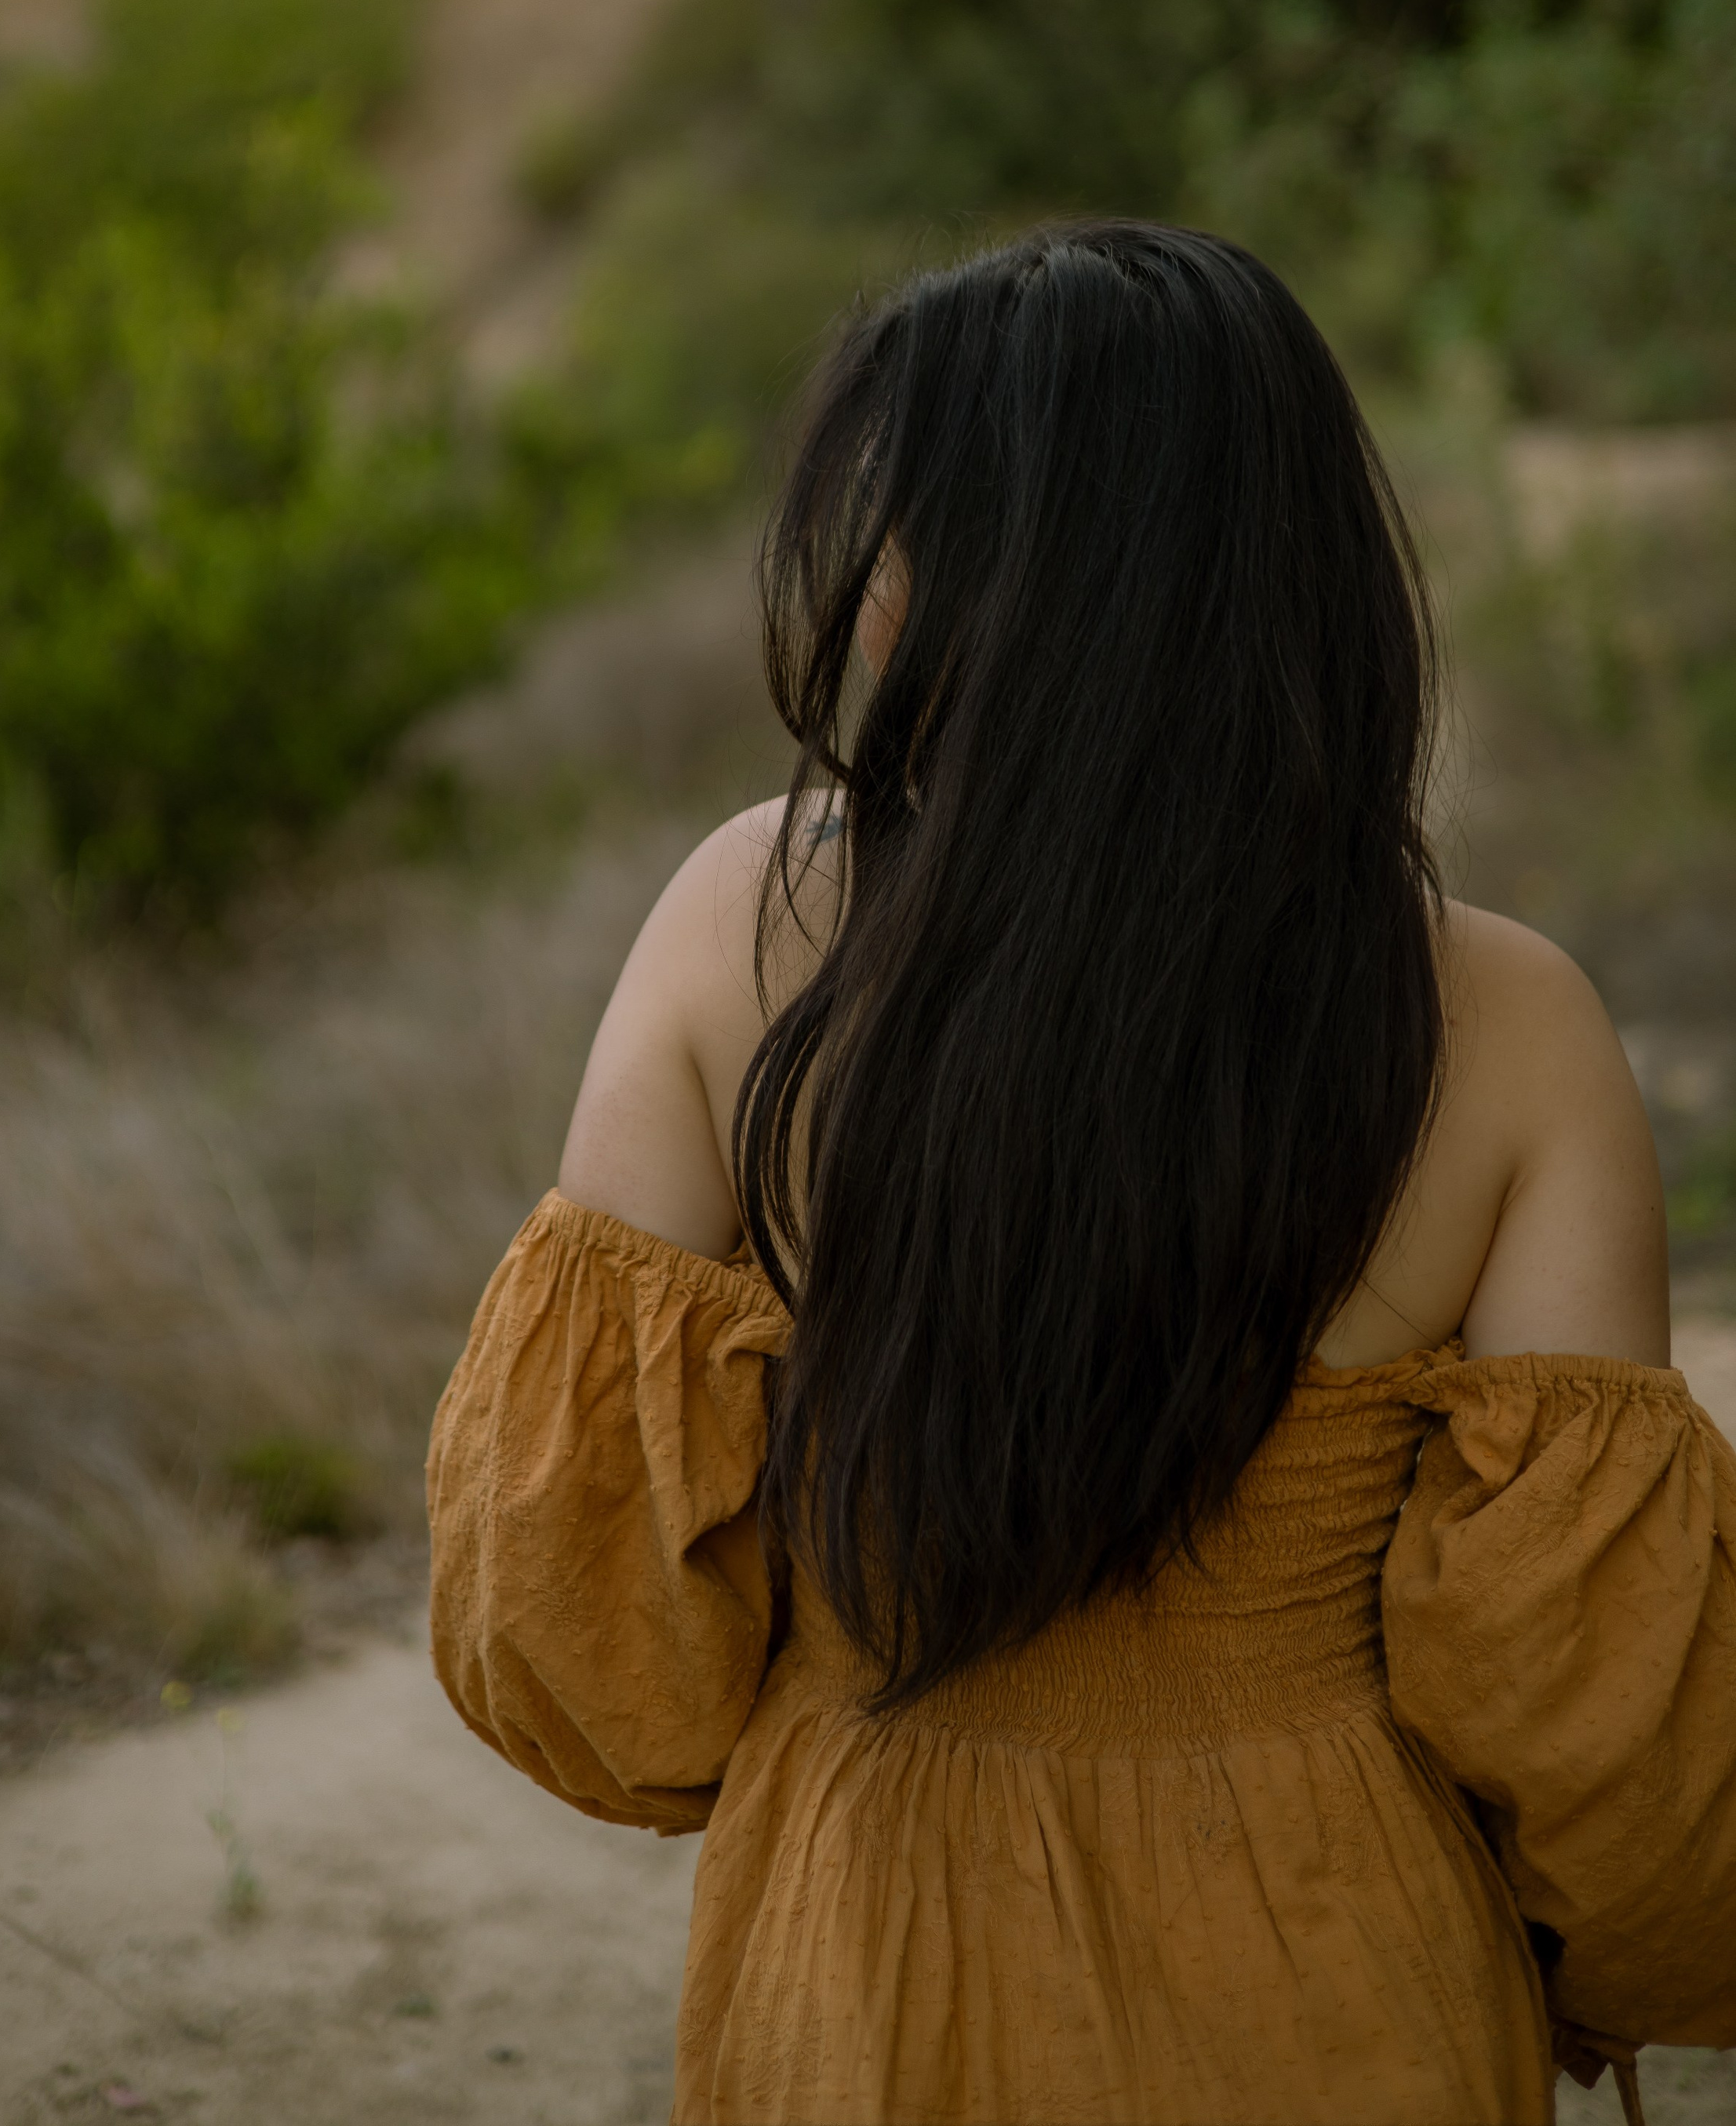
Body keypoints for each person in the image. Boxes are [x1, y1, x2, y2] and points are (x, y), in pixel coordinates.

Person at [428, 223, 1736, 2126]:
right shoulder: (1510, 1021)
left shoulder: (740, 923)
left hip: (868, 1952)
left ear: (952, 579)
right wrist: (1614, 1973)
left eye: (891, 526)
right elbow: (1601, 1708)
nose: (864, 583)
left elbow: (576, 1625)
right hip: (1344, 1958)